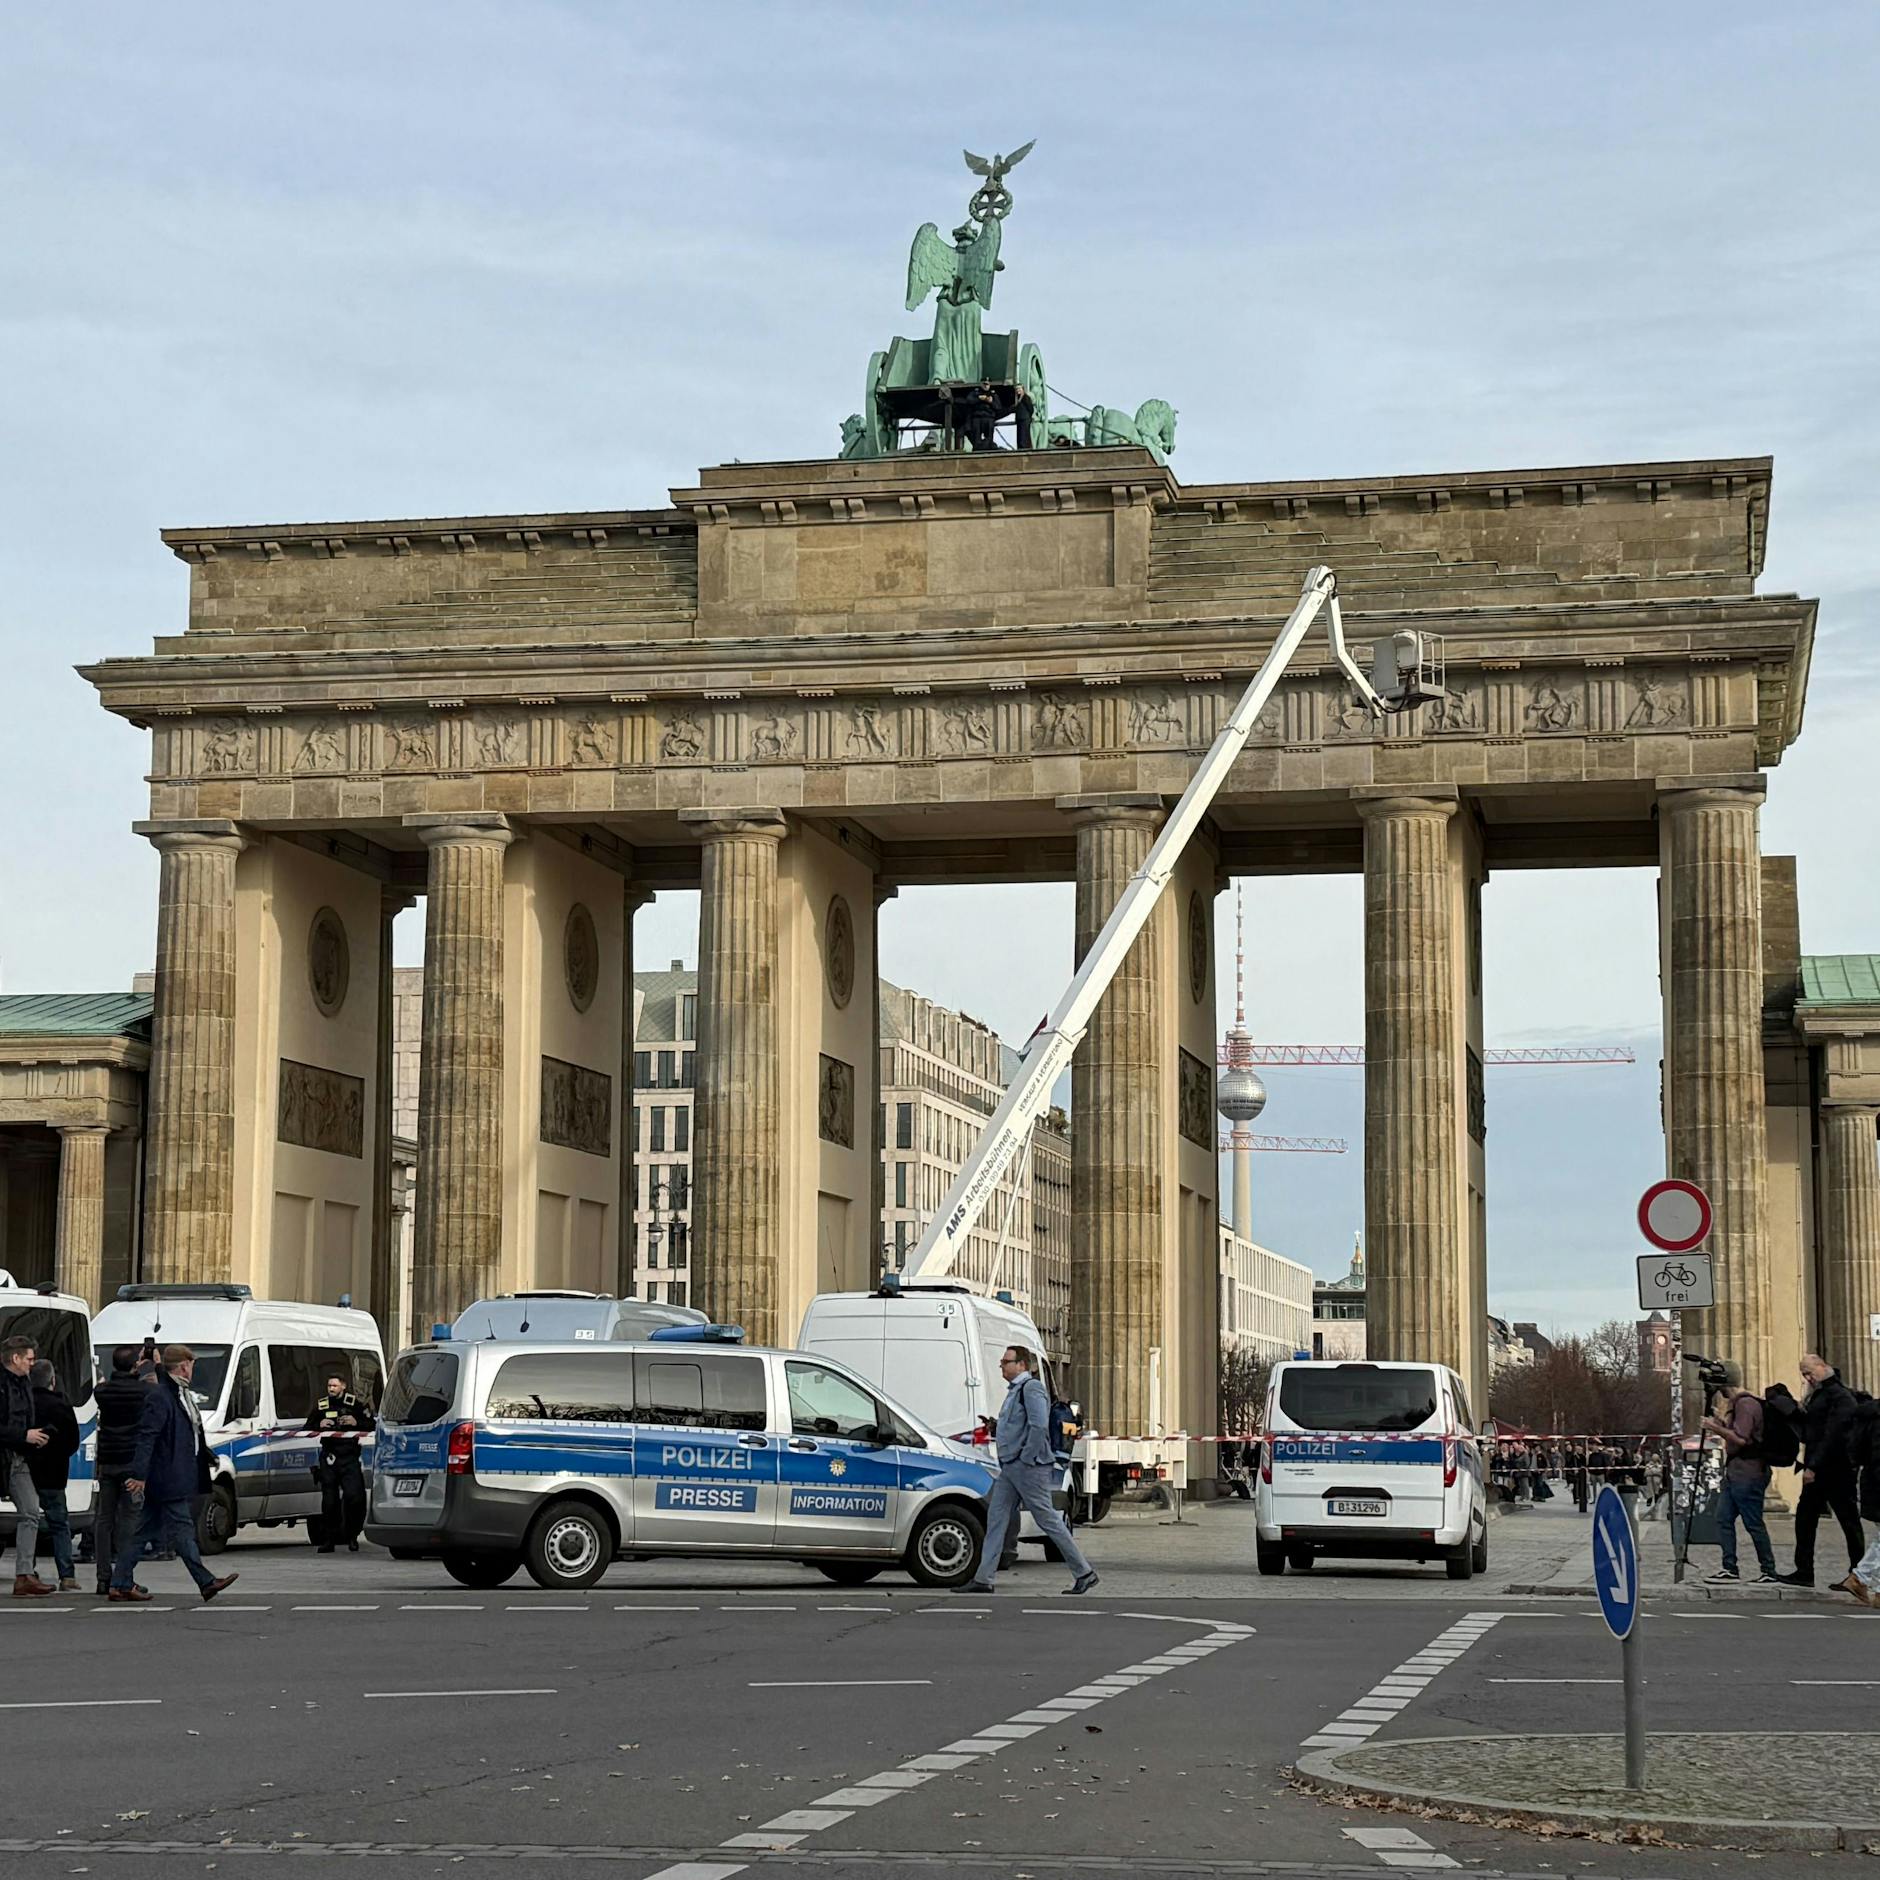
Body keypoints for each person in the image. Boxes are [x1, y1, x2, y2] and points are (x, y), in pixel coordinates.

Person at [957, 1345, 1098, 1596]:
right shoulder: (1016, 1391)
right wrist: (996, 1427)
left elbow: (1038, 1426)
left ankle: (1084, 1573)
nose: (1001, 1365)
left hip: (1026, 1467)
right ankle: (983, 1578)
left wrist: (1027, 1457)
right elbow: (1019, 1425)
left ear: (1021, 1365)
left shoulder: (1031, 1388)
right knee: (996, 1518)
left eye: (1006, 1361)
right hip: (1012, 1467)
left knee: (1047, 1519)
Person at [109, 1344, 236, 1604]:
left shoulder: (177, 1393)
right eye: (192, 1365)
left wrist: (206, 1455)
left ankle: (120, 1583)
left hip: (174, 1473)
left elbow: (190, 1432)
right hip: (168, 1476)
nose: (193, 1370)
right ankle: (206, 1582)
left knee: (142, 1532)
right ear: (184, 1366)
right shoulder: (162, 1396)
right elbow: (147, 1436)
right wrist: (139, 1474)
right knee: (183, 1529)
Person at [1776, 1353, 1865, 1588]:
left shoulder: (1839, 1395)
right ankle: (1805, 1571)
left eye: (1809, 1372)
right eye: (1803, 1374)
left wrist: (1813, 1466)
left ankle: (1858, 1575)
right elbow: (1815, 1431)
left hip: (1835, 1469)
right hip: (1823, 1467)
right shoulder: (1821, 1394)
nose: (1807, 1378)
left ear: (1822, 1366)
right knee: (1806, 1519)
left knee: (1848, 1521)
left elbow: (1832, 1435)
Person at [1701, 1361, 1778, 1584]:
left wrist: (1714, 1428)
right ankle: (1729, 1567)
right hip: (1736, 1473)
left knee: (1753, 1523)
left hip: (1748, 1474)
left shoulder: (1745, 1404)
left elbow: (1741, 1438)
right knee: (1723, 1518)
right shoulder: (1739, 1404)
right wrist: (1720, 1421)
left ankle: (1768, 1569)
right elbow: (1736, 1432)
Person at [92, 1345, 149, 1598]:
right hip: (131, 1463)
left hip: (108, 1461)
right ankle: (124, 1577)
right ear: (136, 1365)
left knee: (104, 1520)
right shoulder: (143, 1391)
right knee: (129, 1521)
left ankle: (103, 1577)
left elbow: (103, 1387)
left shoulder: (102, 1392)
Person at [1, 1335, 55, 1596]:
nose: (32, 1364)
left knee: (31, 1511)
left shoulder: (24, 1383)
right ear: (16, 1358)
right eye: (29, 1359)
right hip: (7, 1453)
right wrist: (24, 1435)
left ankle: (24, 1574)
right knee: (30, 1512)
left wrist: (34, 1436)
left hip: (18, 1456)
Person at [303, 1371, 374, 1553]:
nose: (331, 1389)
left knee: (354, 1498)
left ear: (343, 1386)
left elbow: (371, 1425)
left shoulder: (354, 1404)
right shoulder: (322, 1405)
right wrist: (319, 1424)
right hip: (329, 1457)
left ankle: (352, 1536)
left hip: (349, 1457)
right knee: (329, 1501)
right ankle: (329, 1539)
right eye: (329, 1386)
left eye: (334, 1386)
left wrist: (355, 1422)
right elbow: (307, 1427)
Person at [25, 1360, 80, 1592]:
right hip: (54, 1473)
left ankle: (28, 1570)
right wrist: (57, 1453)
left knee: (28, 1522)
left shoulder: (24, 1403)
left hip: (26, 1472)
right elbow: (73, 1441)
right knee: (59, 1524)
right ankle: (66, 1576)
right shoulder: (61, 1405)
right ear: (53, 1381)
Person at [1845, 1392, 1879, 1607]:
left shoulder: (1868, 1416)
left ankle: (1877, 1590)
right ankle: (1860, 1577)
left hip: (1871, 1480)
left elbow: (1855, 1452)